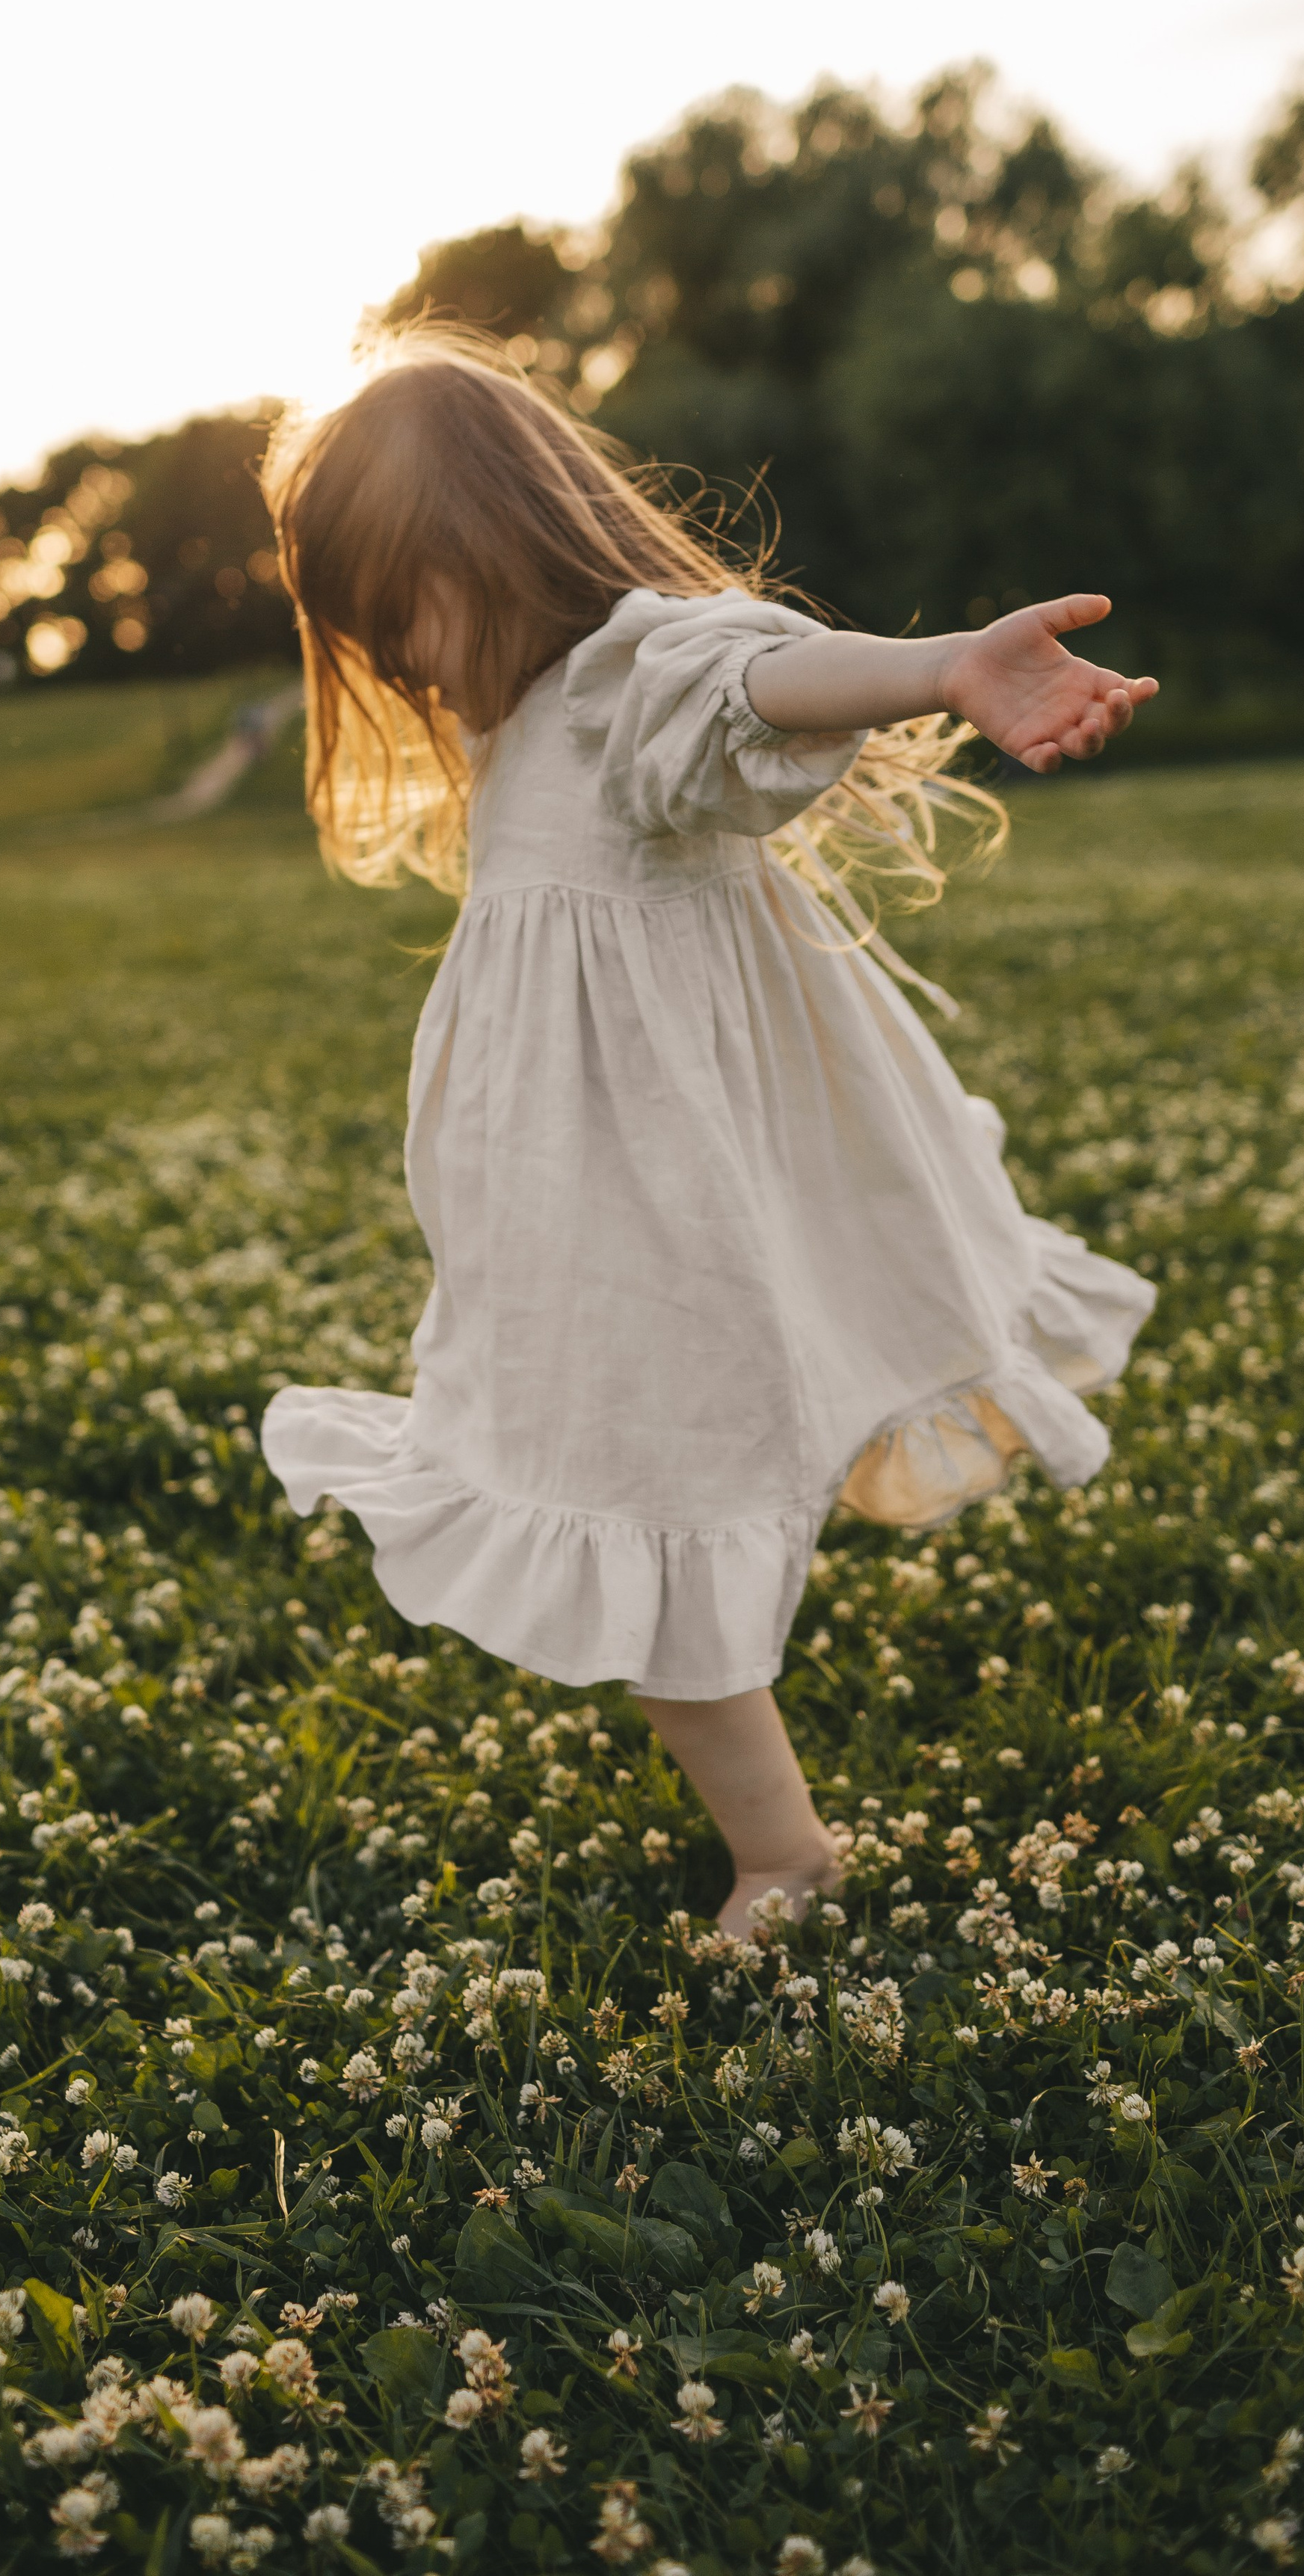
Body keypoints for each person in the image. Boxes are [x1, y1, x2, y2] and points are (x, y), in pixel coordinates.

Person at [258, 330, 1157, 1934]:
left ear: (480, 547)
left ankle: (784, 1856)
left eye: (393, 607)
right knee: (611, 1471)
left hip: (668, 1207)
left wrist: (942, 661)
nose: (388, 658)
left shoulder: (623, 674)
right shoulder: (518, 723)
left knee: (634, 1483)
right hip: (574, 1217)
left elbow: (756, 674)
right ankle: (778, 1839)